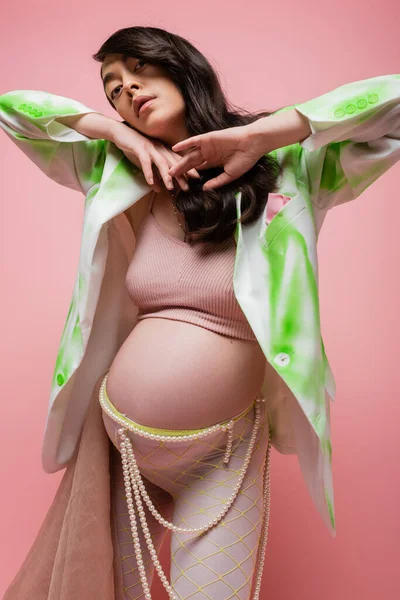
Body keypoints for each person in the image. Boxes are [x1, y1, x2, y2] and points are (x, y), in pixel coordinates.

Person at [1, 25, 399, 600]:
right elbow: (15, 110)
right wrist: (111, 133)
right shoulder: (113, 173)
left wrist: (264, 135)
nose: (126, 89)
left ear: (181, 66)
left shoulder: (296, 169)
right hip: (122, 449)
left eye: (139, 69)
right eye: (112, 87)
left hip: (224, 454)